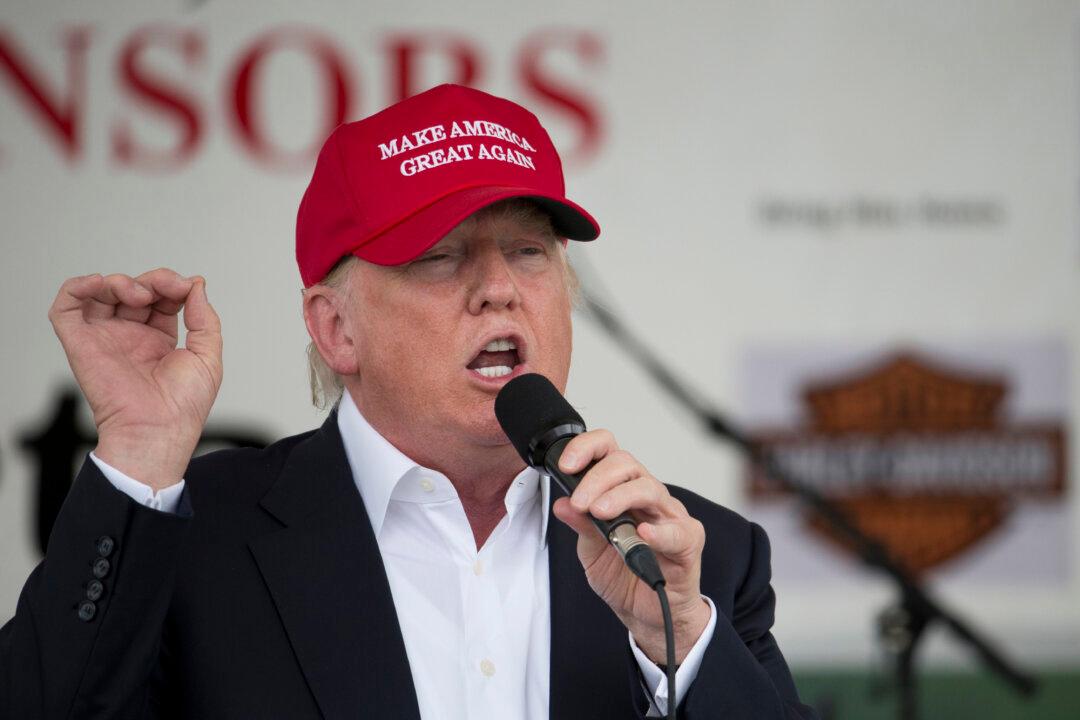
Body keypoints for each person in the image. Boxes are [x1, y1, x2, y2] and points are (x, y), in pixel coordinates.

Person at [0, 84, 816, 719]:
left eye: (529, 251)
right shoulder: (193, 543)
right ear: (336, 329)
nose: (499, 288)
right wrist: (140, 453)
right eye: (439, 257)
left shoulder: (698, 559)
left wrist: (674, 643)